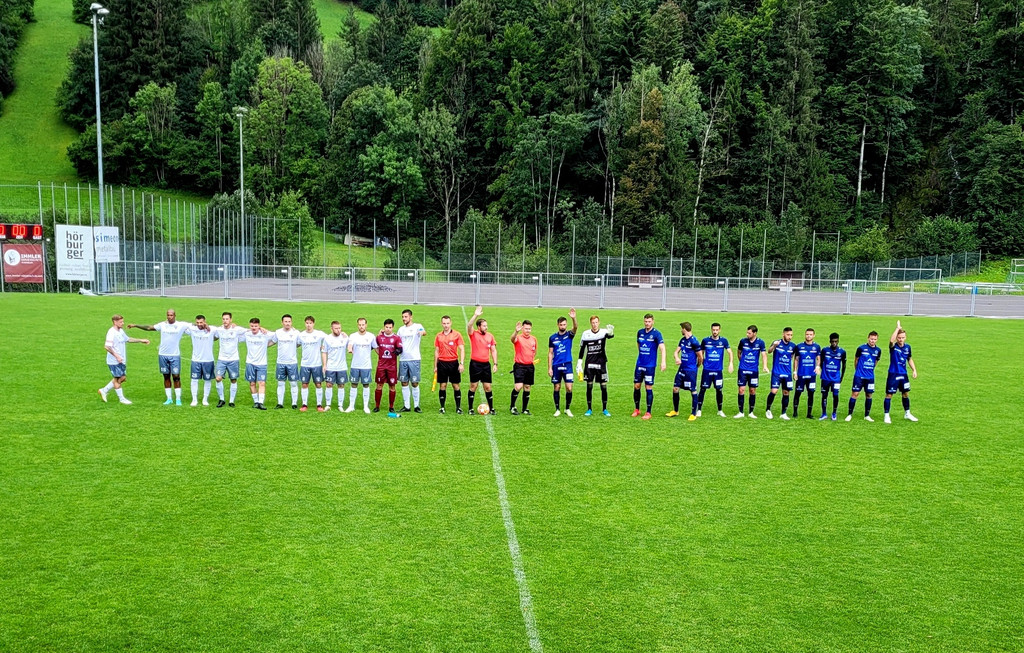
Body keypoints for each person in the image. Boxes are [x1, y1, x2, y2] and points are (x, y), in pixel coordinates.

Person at [128, 309, 191, 405]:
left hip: (174, 355)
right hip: (163, 355)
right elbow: (149, 328)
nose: (169, 317)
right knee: (166, 376)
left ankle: (178, 399)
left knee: (176, 377)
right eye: (168, 315)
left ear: (175, 315)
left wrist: (206, 326)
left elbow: (196, 326)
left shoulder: (181, 325)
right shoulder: (162, 325)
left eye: (171, 315)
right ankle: (169, 398)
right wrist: (136, 325)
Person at [99, 314, 149, 405]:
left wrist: (141, 340)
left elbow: (128, 339)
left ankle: (103, 390)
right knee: (118, 379)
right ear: (115, 322)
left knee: (122, 378)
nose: (123, 323)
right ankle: (122, 399)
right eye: (121, 322)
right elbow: (107, 346)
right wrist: (116, 356)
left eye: (123, 321)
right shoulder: (111, 332)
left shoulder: (121, 331)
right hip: (114, 361)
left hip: (121, 360)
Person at [576, 315, 614, 416]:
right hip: (589, 363)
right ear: (590, 323)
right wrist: (579, 362)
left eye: (596, 322)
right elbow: (582, 349)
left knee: (603, 387)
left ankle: (605, 409)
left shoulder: (603, 332)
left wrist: (611, 332)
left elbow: (610, 336)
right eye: (593, 323)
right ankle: (589, 409)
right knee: (589, 386)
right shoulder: (585, 334)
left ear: (599, 322)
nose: (594, 325)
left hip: (601, 364)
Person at [633, 313, 666, 420]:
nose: (647, 323)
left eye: (649, 321)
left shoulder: (657, 334)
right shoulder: (640, 332)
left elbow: (662, 348)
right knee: (636, 386)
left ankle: (648, 412)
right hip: (640, 364)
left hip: (650, 366)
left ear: (653, 322)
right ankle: (637, 409)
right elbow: (638, 344)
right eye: (646, 321)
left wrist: (663, 362)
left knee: (648, 387)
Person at [884, 320, 918, 423]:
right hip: (893, 373)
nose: (901, 340)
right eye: (899, 338)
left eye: (903, 337)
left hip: (903, 374)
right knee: (889, 394)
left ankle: (907, 413)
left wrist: (914, 370)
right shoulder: (893, 347)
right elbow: (891, 341)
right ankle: (886, 415)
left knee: (905, 394)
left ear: (905, 337)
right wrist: (897, 328)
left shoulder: (908, 347)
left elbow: (910, 359)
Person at [466, 306, 498, 414]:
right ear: (479, 326)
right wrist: (476, 315)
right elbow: (469, 325)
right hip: (475, 364)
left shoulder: (490, 336)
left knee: (488, 387)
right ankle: (470, 408)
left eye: (486, 326)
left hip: (485, 365)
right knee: (473, 386)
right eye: (484, 326)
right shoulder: (473, 334)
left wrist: (495, 363)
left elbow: (493, 350)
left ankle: (491, 407)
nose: (486, 327)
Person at [697, 322, 734, 418]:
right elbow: (701, 353)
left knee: (719, 390)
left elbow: (730, 352)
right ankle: (699, 409)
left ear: (719, 330)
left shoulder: (724, 341)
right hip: (707, 370)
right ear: (711, 330)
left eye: (717, 330)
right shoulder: (705, 341)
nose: (715, 332)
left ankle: (720, 410)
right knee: (703, 389)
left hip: (718, 371)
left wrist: (730, 363)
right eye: (713, 330)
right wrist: (700, 362)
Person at [548, 308, 579, 417]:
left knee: (569, 387)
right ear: (558, 325)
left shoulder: (569, 335)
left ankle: (567, 408)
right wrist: (549, 368)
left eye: (564, 324)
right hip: (556, 365)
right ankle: (557, 409)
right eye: (561, 325)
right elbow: (550, 353)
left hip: (567, 364)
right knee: (557, 387)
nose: (563, 326)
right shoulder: (552, 338)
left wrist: (573, 318)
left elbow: (575, 328)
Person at [213, 312, 248, 407]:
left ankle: (231, 401)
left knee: (233, 379)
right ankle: (222, 399)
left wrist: (261, 329)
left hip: (233, 359)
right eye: (223, 319)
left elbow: (250, 331)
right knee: (218, 378)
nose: (225, 321)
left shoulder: (237, 329)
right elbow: (214, 337)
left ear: (231, 320)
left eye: (227, 319)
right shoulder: (219, 330)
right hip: (222, 359)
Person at [668, 322, 701, 420]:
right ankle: (675, 410)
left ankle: (693, 414)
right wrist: (677, 358)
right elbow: (675, 352)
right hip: (681, 369)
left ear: (684, 329)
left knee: (693, 391)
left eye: (681, 329)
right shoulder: (682, 340)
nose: (680, 331)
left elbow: (700, 356)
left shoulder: (694, 341)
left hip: (690, 370)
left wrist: (696, 367)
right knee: (675, 388)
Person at [846, 331, 882, 422]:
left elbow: (876, 361)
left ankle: (867, 415)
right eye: (871, 339)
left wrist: (871, 369)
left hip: (870, 377)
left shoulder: (878, 350)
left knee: (869, 395)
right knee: (855, 394)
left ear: (877, 339)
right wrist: (857, 370)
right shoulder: (861, 348)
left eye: (874, 339)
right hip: (859, 376)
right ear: (868, 338)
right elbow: (856, 360)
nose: (872, 341)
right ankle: (849, 414)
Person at [397, 309, 427, 413]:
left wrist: (421, 332)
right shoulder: (401, 329)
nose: (404, 319)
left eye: (405, 317)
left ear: (411, 317)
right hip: (403, 359)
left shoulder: (417, 326)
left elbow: (424, 332)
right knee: (404, 382)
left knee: (414, 383)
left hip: (414, 359)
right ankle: (407, 406)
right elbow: (397, 341)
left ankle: (416, 405)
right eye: (403, 317)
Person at [243, 317, 276, 410]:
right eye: (252, 326)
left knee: (262, 383)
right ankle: (256, 402)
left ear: (259, 326)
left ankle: (261, 402)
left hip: (262, 363)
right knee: (252, 383)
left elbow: (277, 336)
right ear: (250, 326)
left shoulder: (265, 334)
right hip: (250, 363)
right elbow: (235, 331)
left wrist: (267, 345)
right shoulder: (247, 334)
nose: (254, 328)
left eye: (256, 326)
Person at [734, 325, 767, 419]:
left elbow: (764, 355)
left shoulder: (760, 342)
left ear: (754, 333)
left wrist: (764, 366)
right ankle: (740, 412)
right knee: (741, 390)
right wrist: (741, 361)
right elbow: (739, 352)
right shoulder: (743, 341)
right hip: (743, 370)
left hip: (754, 371)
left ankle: (751, 412)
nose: (747, 334)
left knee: (752, 390)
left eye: (749, 333)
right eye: (747, 332)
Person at [434, 315, 465, 414]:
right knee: (442, 385)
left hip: (453, 363)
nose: (446, 325)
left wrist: (461, 363)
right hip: (442, 363)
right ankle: (442, 407)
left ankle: (458, 407)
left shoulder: (457, 335)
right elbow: (436, 351)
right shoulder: (438, 336)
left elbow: (462, 349)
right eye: (444, 323)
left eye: (447, 323)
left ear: (451, 323)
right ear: (441, 324)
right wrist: (435, 366)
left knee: (456, 385)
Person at [765, 327, 796, 420]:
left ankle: (783, 413)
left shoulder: (793, 346)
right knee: (774, 391)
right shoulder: (777, 343)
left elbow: (793, 357)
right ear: (783, 334)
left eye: (791, 335)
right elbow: (769, 351)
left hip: (787, 374)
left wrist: (794, 371)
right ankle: (768, 409)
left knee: (786, 393)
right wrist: (774, 346)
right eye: (788, 335)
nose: (789, 337)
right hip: (777, 373)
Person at [297, 316, 327, 412]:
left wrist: (322, 346)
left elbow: (329, 339)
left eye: (310, 323)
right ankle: (304, 404)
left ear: (313, 324)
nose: (308, 325)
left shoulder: (319, 334)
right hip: (305, 364)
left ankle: (319, 405)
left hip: (317, 364)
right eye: (307, 323)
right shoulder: (301, 335)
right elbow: (297, 344)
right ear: (305, 323)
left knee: (318, 384)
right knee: (304, 384)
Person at [374, 319, 403, 415]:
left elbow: (400, 348)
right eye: (386, 327)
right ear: (384, 327)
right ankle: (377, 406)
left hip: (392, 367)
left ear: (393, 327)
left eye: (390, 327)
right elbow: (374, 346)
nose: (388, 329)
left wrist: (398, 351)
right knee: (379, 385)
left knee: (392, 386)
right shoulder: (379, 337)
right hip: (381, 366)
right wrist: (379, 354)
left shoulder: (396, 338)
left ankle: (391, 407)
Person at [347, 317, 376, 413]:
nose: (361, 326)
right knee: (354, 384)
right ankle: (351, 406)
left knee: (366, 385)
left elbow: (376, 348)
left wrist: (383, 357)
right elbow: (350, 345)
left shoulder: (371, 336)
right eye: (359, 325)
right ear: (357, 325)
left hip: (366, 365)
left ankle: (365, 406)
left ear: (366, 325)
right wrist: (350, 349)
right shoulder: (353, 336)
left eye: (363, 324)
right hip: (355, 365)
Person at [186, 314, 216, 407]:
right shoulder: (192, 329)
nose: (199, 324)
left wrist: (233, 325)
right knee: (194, 380)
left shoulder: (212, 329)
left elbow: (223, 331)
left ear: (205, 321)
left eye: (201, 322)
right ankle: (194, 399)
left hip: (208, 360)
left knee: (207, 380)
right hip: (195, 360)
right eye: (197, 322)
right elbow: (182, 325)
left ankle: (205, 399)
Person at [510, 319, 538, 415]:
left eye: (529, 329)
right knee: (518, 386)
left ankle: (524, 409)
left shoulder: (533, 339)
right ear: (522, 328)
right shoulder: (518, 338)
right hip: (519, 366)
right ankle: (512, 406)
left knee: (527, 387)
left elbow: (534, 351)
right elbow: (512, 339)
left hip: (530, 366)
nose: (528, 331)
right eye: (526, 329)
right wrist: (516, 331)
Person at [792, 328, 821, 419]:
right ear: (805, 335)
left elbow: (818, 358)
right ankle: (795, 412)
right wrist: (795, 372)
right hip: (801, 374)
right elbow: (796, 360)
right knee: (798, 393)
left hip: (811, 375)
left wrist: (817, 367)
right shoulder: (799, 346)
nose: (808, 336)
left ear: (814, 335)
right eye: (807, 334)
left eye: (810, 334)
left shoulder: (816, 347)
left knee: (811, 393)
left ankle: (809, 413)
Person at [273, 314, 301, 409]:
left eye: (289, 321)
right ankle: (280, 403)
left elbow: (300, 343)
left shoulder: (296, 333)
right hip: (280, 362)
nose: (287, 323)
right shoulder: (278, 332)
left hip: (292, 362)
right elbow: (272, 342)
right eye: (285, 321)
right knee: (280, 383)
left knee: (293, 383)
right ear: (282, 322)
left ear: (291, 322)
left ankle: (294, 403)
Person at [322, 321, 350, 412]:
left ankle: (340, 405)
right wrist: (325, 365)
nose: (338, 330)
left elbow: (351, 346)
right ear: (331, 329)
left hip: (342, 367)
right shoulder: (327, 339)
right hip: (331, 366)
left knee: (341, 385)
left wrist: (348, 338)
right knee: (329, 384)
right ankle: (328, 404)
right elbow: (324, 352)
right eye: (336, 328)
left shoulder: (345, 338)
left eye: (339, 328)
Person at [819, 332, 847, 421]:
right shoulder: (824, 350)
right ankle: (824, 413)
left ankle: (834, 413)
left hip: (836, 379)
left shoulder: (842, 352)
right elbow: (820, 362)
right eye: (832, 341)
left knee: (835, 395)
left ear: (838, 341)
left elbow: (844, 365)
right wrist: (822, 371)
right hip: (825, 378)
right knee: (824, 395)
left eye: (836, 341)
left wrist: (841, 377)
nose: (834, 343)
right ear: (830, 341)